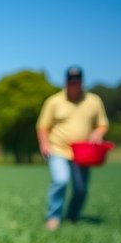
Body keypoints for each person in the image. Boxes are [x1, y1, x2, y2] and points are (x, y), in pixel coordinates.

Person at [36, 66, 109, 231]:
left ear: (81, 82)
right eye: (71, 81)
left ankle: (72, 217)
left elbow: (102, 124)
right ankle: (53, 217)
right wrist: (44, 144)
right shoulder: (54, 101)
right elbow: (42, 126)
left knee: (80, 189)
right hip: (58, 149)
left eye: (76, 81)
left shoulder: (93, 101)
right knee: (60, 180)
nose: (73, 85)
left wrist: (98, 133)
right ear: (66, 82)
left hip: (84, 153)